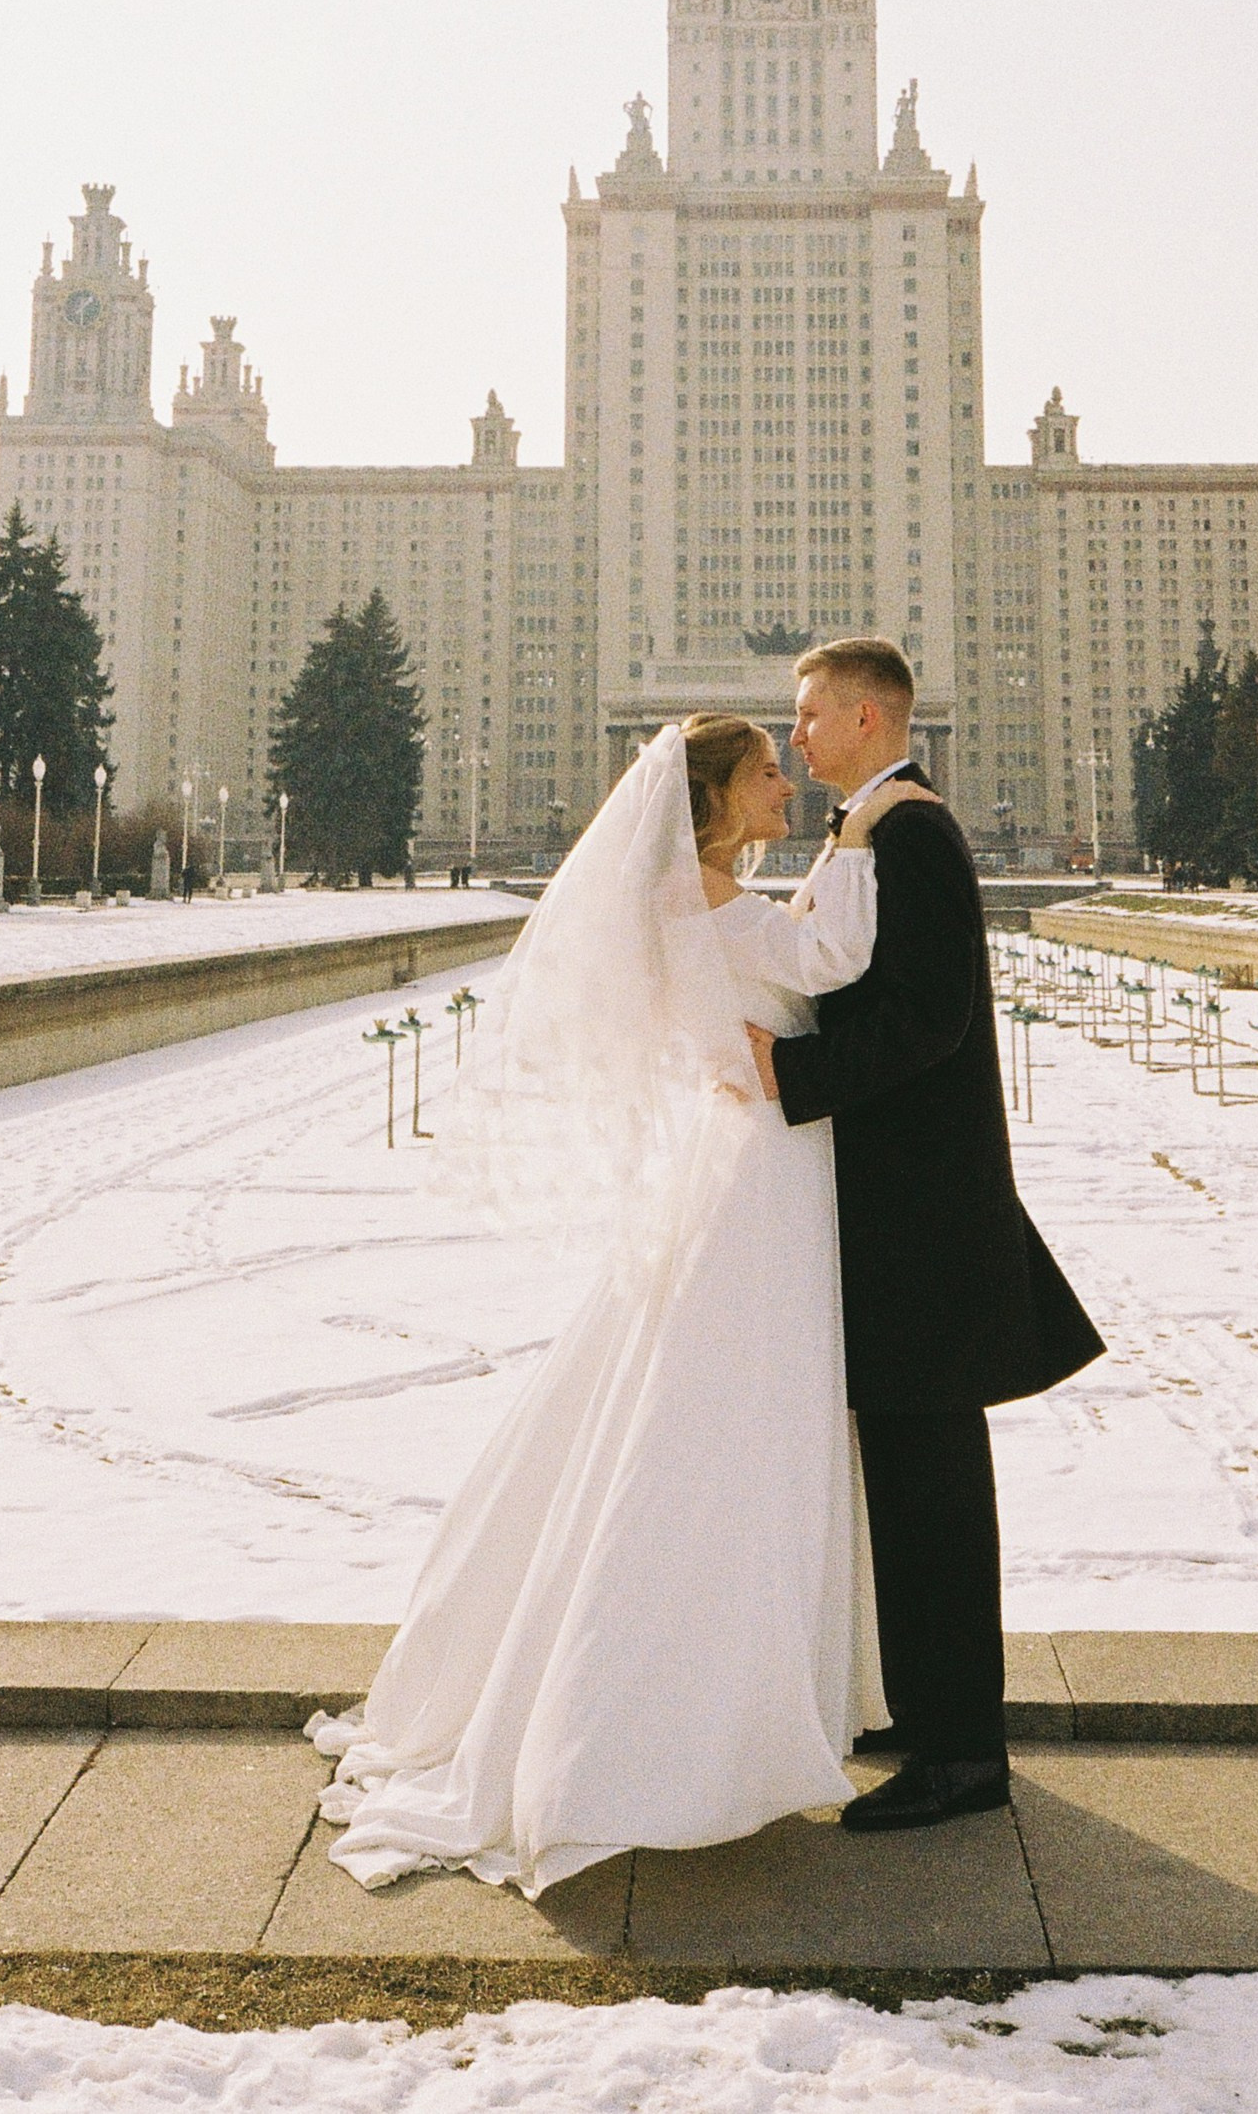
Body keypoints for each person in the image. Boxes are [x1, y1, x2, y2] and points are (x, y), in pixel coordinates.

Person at [311, 713, 891, 1897]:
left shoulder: (702, 902)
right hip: (763, 1176)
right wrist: (863, 839)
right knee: (736, 1419)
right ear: (717, 802)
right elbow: (832, 962)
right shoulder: (718, 907)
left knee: (707, 1406)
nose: (785, 781)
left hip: (746, 1166)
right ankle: (663, 1720)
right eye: (764, 773)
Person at [747, 636, 1103, 1834]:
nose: (794, 735)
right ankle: (932, 1708)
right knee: (906, 1478)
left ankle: (963, 1751)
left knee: (936, 1489)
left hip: (926, 1222)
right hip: (899, 1215)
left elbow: (927, 1019)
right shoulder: (874, 827)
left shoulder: (911, 833)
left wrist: (790, 1071)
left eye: (805, 715)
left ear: (861, 715)